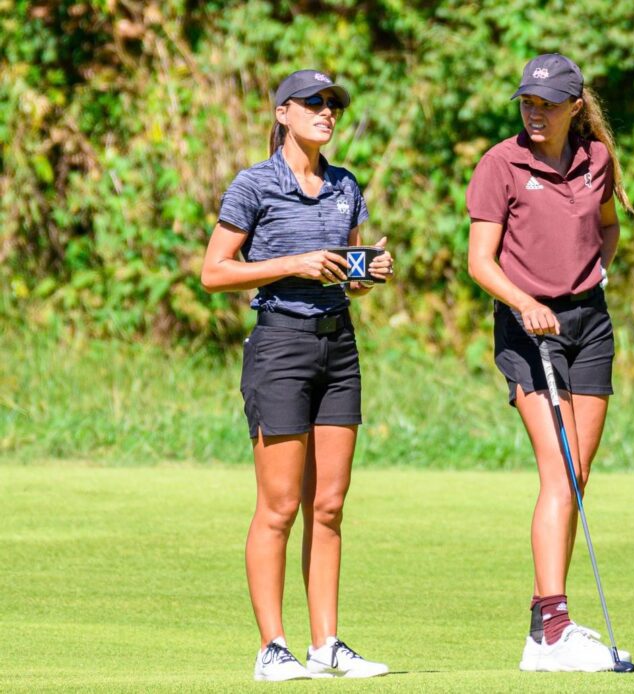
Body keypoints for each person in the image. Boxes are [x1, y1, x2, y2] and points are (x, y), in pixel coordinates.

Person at [200, 69, 393, 682]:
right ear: (283, 113)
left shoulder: (344, 186)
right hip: (280, 348)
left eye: (333, 103)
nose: (326, 111)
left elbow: (348, 276)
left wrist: (367, 270)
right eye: (313, 102)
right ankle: (272, 649)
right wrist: (294, 264)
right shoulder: (254, 185)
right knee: (280, 506)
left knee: (329, 505)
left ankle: (327, 644)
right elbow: (214, 271)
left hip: (339, 350)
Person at [465, 53, 634, 672]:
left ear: (573, 106)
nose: (534, 113)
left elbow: (608, 227)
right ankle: (552, 628)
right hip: (527, 329)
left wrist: (600, 270)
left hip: (589, 323)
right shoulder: (500, 164)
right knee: (560, 472)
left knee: (579, 475)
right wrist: (524, 301)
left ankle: (548, 626)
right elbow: (480, 261)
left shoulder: (597, 161)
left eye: (545, 104)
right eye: (526, 104)